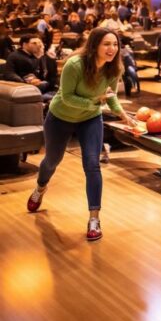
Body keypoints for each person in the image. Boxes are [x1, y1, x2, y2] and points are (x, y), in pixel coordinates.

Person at [26, 28, 137, 240]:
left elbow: (110, 95)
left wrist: (123, 114)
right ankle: (40, 188)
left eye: (115, 44)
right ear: (94, 45)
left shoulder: (114, 69)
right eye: (106, 44)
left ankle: (94, 218)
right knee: (51, 160)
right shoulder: (74, 65)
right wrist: (94, 103)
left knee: (92, 164)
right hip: (60, 117)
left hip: (90, 119)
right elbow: (66, 97)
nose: (112, 49)